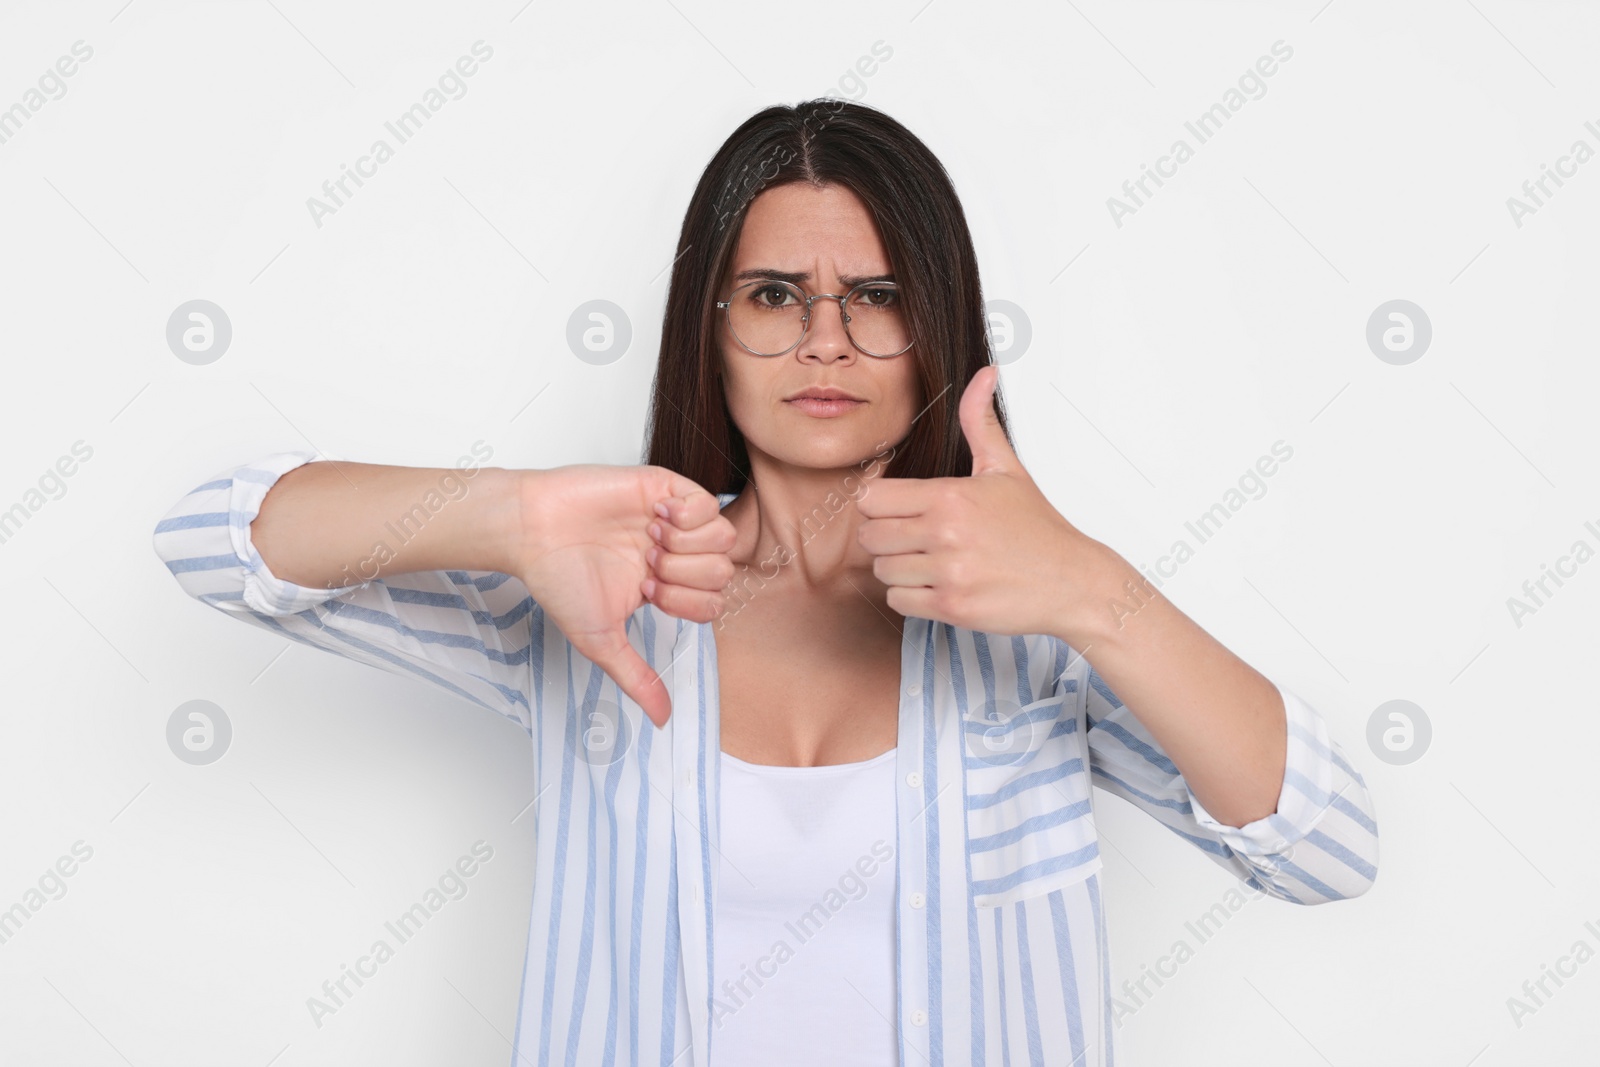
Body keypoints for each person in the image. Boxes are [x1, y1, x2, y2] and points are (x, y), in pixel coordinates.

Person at [152, 98, 1378, 1067]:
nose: (825, 341)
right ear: (710, 325)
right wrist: (505, 508)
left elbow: (1324, 851)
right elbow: (215, 540)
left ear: (937, 326)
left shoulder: (1035, 623)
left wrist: (1092, 586)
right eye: (775, 296)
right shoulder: (605, 592)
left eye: (878, 296)